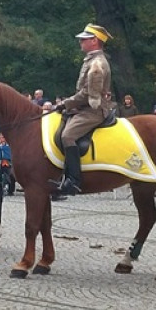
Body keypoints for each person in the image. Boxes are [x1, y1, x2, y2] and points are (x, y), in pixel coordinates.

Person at [51, 23, 115, 196]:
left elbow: (88, 94)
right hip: (84, 107)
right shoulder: (91, 60)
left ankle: (74, 181)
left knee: (68, 136)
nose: (80, 42)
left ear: (94, 41)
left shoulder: (97, 64)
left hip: (93, 110)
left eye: (84, 39)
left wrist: (66, 103)